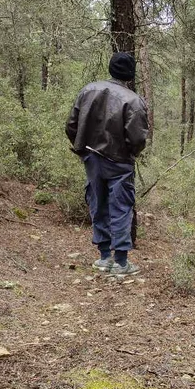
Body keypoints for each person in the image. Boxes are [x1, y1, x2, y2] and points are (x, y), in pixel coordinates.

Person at [65, 52, 149, 276]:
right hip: (119, 161)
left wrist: (82, 148)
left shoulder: (87, 90)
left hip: (91, 158)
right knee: (121, 207)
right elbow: (138, 138)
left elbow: (71, 125)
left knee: (97, 203)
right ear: (130, 75)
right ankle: (120, 262)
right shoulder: (133, 100)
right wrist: (130, 154)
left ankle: (104, 257)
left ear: (111, 68)